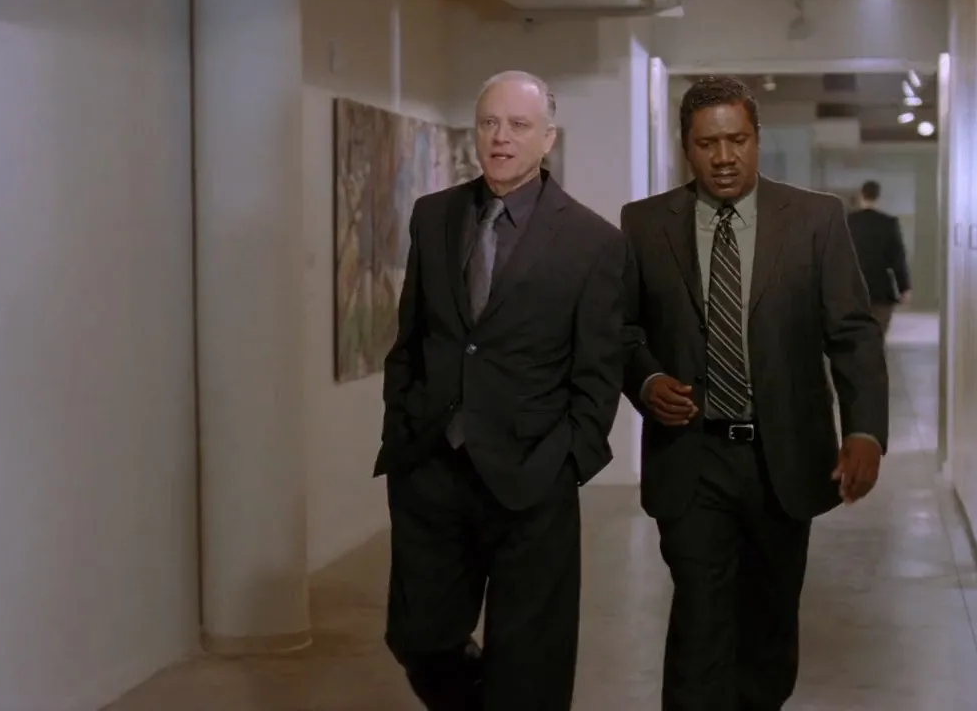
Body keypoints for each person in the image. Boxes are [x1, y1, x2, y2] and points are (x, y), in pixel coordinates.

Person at [619, 76, 890, 710]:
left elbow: (852, 332)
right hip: (692, 457)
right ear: (686, 147)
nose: (724, 157)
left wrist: (864, 430)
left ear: (757, 139)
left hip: (782, 458)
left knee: (768, 628)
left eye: (737, 140)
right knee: (700, 624)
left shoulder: (815, 219)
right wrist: (647, 379)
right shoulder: (644, 223)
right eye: (707, 143)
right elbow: (621, 330)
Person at [374, 70, 627, 710]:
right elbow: (411, 339)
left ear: (548, 139)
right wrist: (403, 432)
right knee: (419, 639)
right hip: (434, 467)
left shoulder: (593, 242)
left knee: (530, 670)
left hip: (532, 478)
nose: (501, 138)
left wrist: (567, 462)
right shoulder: (435, 216)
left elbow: (598, 372)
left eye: (518, 125)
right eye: (489, 123)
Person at [846, 180, 912, 334]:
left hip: (852, 289)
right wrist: (904, 287)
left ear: (861, 195)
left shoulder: (847, 222)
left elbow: (835, 257)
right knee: (878, 335)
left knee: (855, 336)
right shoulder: (889, 223)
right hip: (881, 290)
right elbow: (898, 258)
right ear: (878, 197)